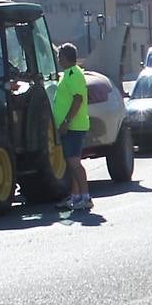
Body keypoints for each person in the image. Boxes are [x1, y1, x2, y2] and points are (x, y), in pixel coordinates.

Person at [54, 43, 92, 211]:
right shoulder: (67, 74)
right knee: (71, 163)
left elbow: (78, 99)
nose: (58, 59)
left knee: (75, 163)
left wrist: (66, 122)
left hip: (74, 127)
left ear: (66, 57)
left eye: (59, 56)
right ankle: (76, 196)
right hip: (69, 127)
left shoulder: (75, 74)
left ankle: (86, 197)